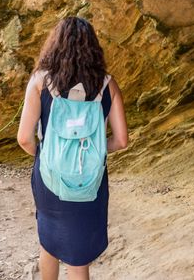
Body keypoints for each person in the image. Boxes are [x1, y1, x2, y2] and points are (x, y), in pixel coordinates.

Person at [17, 16, 129, 280]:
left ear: (55, 45)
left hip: (49, 177)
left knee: (49, 240)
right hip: (89, 180)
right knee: (78, 258)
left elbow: (24, 138)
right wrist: (93, 152)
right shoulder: (107, 85)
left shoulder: (40, 81)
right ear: (93, 48)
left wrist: (47, 155)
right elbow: (122, 141)